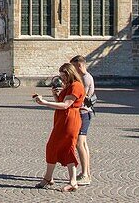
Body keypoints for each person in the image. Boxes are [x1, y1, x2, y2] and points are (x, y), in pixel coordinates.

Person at [32, 63, 85, 192]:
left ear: (70, 74)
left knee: (66, 148)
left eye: (64, 76)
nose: (62, 79)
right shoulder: (69, 86)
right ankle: (49, 178)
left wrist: (45, 102)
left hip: (70, 120)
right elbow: (61, 103)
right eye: (61, 76)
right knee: (53, 146)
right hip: (62, 119)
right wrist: (55, 95)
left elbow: (66, 105)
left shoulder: (76, 86)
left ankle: (71, 182)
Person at [70, 55, 96, 187]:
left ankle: (85, 175)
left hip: (84, 113)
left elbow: (80, 97)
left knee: (80, 144)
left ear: (79, 65)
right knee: (84, 144)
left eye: (74, 67)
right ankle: (86, 172)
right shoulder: (87, 77)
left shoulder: (85, 78)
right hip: (86, 113)